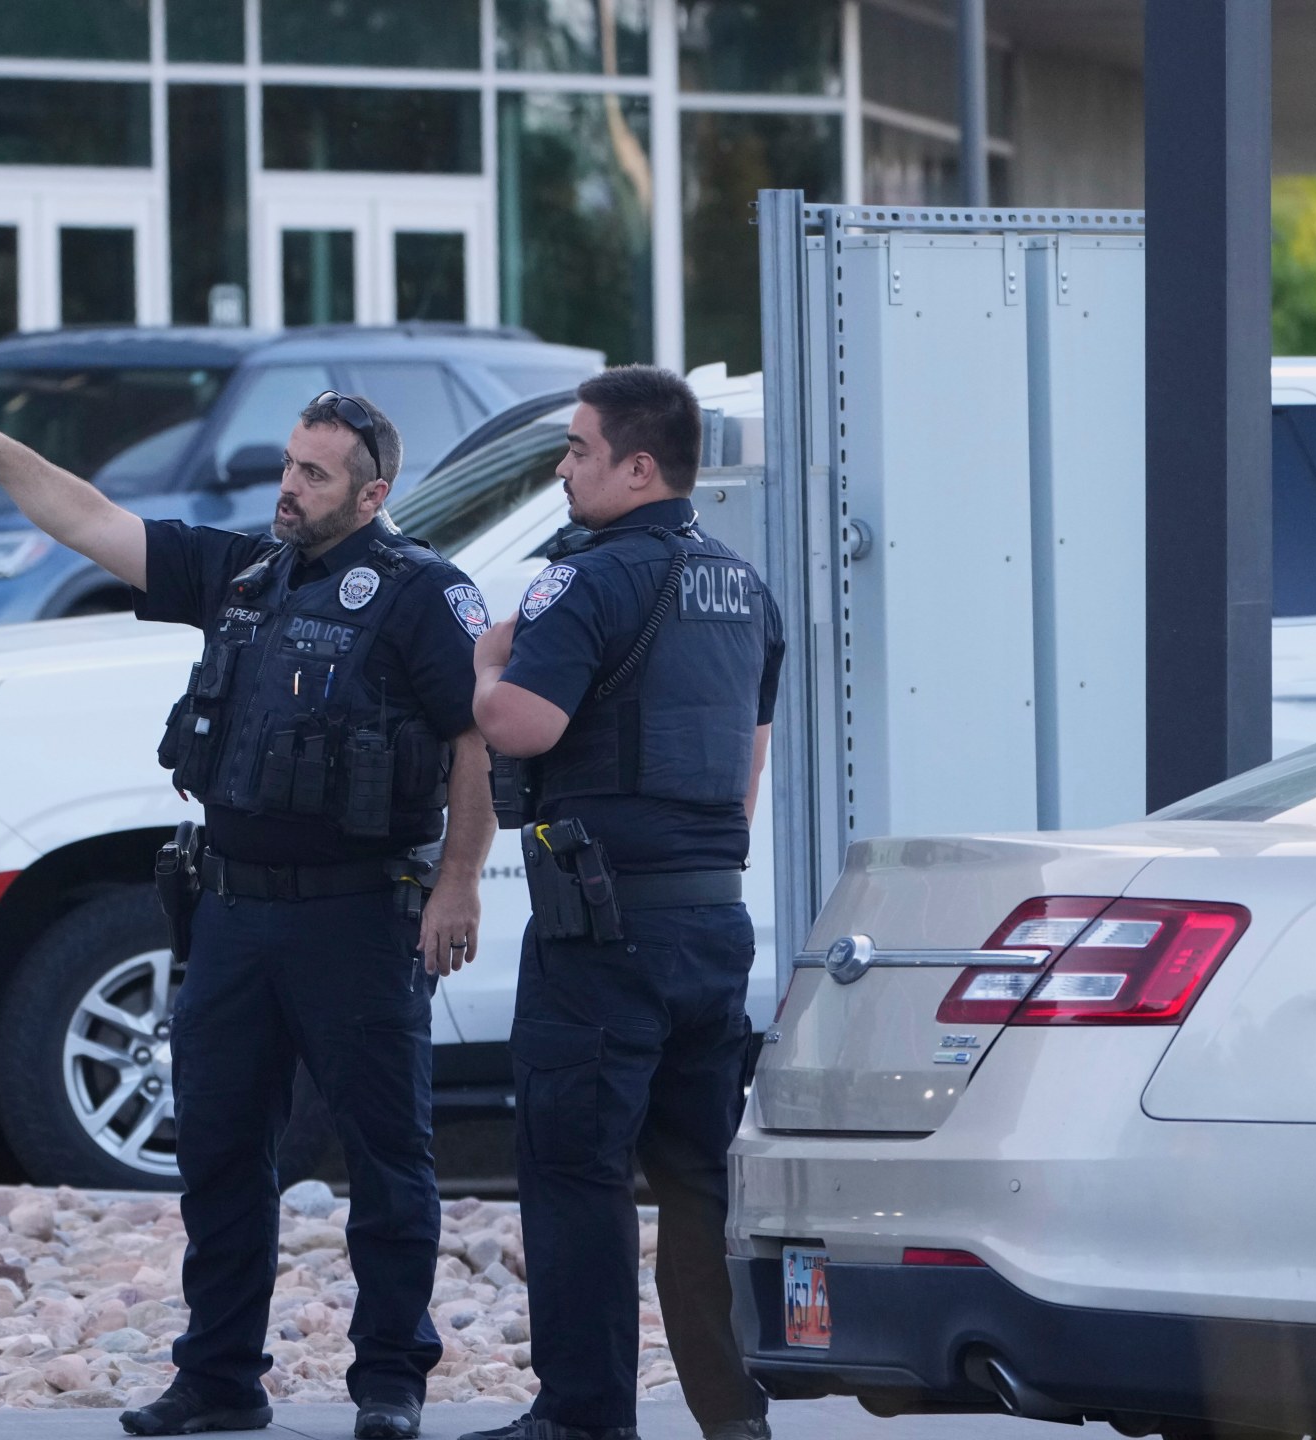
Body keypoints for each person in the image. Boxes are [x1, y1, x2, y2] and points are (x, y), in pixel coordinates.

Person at [0, 383, 498, 1439]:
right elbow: (93, 521)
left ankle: (388, 1381)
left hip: (359, 916)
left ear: (371, 493)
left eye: (312, 474)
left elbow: (474, 740)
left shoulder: (422, 595)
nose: (287, 486)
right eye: (286, 463)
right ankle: (220, 1376)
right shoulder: (244, 572)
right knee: (220, 1153)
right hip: (230, 913)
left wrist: (457, 884)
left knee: (386, 1158)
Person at [464, 366, 784, 1440]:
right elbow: (747, 761)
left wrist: (475, 668)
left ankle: (584, 1415)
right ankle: (730, 1417)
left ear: (638, 467)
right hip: (710, 919)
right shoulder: (745, 586)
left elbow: (521, 725)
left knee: (575, 1168)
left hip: (600, 931)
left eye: (579, 452)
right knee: (697, 1179)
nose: (564, 470)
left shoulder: (583, 583)